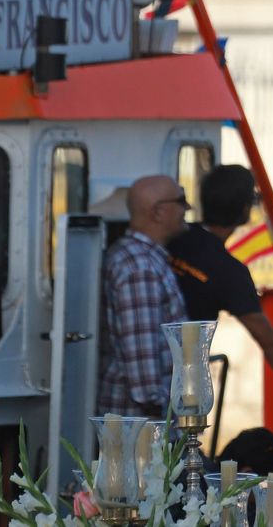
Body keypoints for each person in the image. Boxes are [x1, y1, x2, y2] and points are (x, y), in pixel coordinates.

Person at [168, 164, 273, 405]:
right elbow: (270, 342)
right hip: (179, 381)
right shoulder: (230, 272)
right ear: (245, 209)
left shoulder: (173, 237)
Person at [98, 175, 190, 417]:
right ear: (158, 212)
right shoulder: (141, 267)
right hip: (141, 425)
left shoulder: (139, 258)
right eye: (181, 201)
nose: (187, 208)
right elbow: (144, 378)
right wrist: (165, 418)